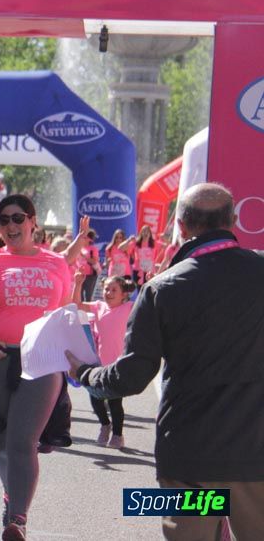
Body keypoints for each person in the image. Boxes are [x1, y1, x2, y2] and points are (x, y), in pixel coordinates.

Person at [68, 183, 264, 540]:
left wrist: (85, 373)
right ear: (233, 221)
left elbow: (131, 377)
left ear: (182, 226)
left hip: (190, 457)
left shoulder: (161, 288)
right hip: (255, 458)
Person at [0, 194, 73, 541]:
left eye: (18, 218)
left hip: (41, 362)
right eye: (4, 219)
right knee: (2, 439)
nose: (11, 225)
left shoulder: (57, 263)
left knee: (24, 440)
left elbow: (64, 312)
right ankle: (13, 495)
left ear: (33, 222)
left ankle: (17, 520)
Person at [71, 271, 135, 449]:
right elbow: (76, 304)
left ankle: (117, 435)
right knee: (95, 399)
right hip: (97, 364)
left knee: (115, 402)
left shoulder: (129, 307)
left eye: (114, 289)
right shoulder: (98, 306)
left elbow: (149, 298)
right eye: (106, 289)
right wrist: (77, 284)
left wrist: (154, 277)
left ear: (124, 294)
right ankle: (105, 425)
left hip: (118, 365)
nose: (109, 292)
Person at [75, 229, 101, 301]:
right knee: (79, 295)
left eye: (85, 237)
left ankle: (88, 311)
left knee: (88, 295)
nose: (83, 238)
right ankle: (80, 311)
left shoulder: (93, 249)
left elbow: (94, 261)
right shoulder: (78, 248)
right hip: (79, 274)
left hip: (90, 275)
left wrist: (85, 257)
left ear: (89, 239)